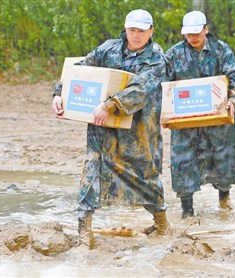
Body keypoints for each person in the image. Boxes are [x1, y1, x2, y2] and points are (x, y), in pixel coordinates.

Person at [52, 9, 170, 249]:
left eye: (141, 31)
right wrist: (59, 93)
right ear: (125, 29)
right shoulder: (108, 48)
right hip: (101, 125)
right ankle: (84, 229)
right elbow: (80, 68)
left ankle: (161, 223)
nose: (136, 36)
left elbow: (142, 89)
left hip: (137, 129)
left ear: (151, 31)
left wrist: (110, 104)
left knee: (143, 174)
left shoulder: (157, 58)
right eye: (132, 30)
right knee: (92, 169)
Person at [165, 11, 235, 218]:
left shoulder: (221, 50)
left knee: (222, 158)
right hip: (186, 120)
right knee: (183, 160)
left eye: (196, 33)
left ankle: (224, 197)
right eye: (188, 34)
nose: (192, 37)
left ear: (205, 29)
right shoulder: (174, 54)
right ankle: (187, 210)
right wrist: (164, 111)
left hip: (218, 119)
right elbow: (163, 85)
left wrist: (233, 99)